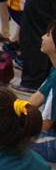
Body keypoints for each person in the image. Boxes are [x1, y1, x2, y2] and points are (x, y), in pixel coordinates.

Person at [28, 22, 56, 162]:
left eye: (48, 34)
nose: (43, 36)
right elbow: (34, 101)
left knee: (8, 142)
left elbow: (46, 124)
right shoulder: (54, 70)